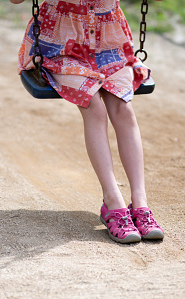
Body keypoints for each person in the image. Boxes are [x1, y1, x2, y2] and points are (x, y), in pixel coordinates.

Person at [11, 0, 164, 243]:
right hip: (61, 46)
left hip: (109, 43)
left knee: (124, 109)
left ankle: (140, 202)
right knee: (94, 108)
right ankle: (113, 200)